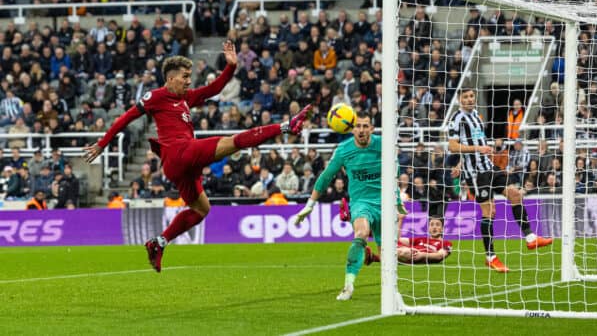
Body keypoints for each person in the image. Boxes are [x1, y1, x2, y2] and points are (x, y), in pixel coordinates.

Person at [84, 42, 312, 272]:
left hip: (183, 165)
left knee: (202, 209)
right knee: (232, 142)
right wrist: (103, 144)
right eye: (184, 76)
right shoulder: (155, 96)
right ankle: (286, 126)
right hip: (178, 154)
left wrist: (231, 67)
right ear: (171, 78)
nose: (188, 80)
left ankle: (158, 243)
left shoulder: (186, 98)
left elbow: (213, 89)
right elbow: (125, 118)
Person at [294, 111, 405, 300]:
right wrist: (310, 204)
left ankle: (391, 291)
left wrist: (397, 200)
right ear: (352, 129)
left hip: (385, 203)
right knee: (361, 233)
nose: (361, 130)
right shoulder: (344, 150)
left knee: (388, 253)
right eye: (358, 126)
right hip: (361, 203)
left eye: (365, 126)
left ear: (372, 128)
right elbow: (325, 177)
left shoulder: (383, 145)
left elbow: (395, 172)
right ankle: (348, 285)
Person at [447, 88, 552, 273]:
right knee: (489, 212)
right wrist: (475, 152)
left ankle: (530, 238)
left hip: (489, 167)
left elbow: (473, 144)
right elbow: (453, 146)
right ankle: (491, 257)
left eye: (471, 96)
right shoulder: (457, 119)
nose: (470, 99)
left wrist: (464, 161)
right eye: (466, 97)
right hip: (476, 174)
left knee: (515, 193)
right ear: (460, 100)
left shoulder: (477, 117)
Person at [364, 216, 451, 265]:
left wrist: (423, 255)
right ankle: (375, 257)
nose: (434, 227)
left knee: (404, 252)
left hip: (415, 256)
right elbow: (397, 239)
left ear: (442, 229)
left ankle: (375, 257)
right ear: (428, 228)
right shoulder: (421, 239)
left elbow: (440, 256)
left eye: (437, 225)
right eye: (431, 225)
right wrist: (400, 220)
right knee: (390, 240)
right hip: (408, 252)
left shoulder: (446, 243)